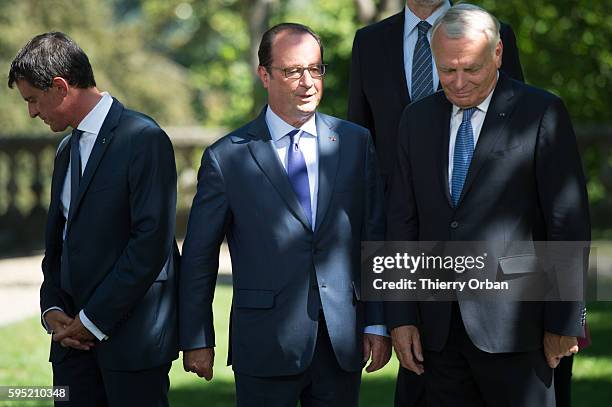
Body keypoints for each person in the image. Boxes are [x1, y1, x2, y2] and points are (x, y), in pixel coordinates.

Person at [385, 4, 589, 406]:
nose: (458, 82)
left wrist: (564, 320)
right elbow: (402, 222)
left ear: (496, 54)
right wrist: (401, 316)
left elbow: (567, 222)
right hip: (436, 333)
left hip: (519, 329)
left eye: (471, 69)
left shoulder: (541, 112)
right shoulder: (415, 120)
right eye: (447, 70)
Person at [178, 23, 390, 406]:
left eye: (316, 68)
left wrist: (376, 320)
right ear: (264, 75)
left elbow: (373, 237)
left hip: (341, 342)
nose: (308, 82)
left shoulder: (355, 143)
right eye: (293, 71)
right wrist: (197, 338)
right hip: (264, 344)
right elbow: (198, 257)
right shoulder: (227, 158)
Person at [348, 2, 524, 405]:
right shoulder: (369, 42)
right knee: (425, 380)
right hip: (410, 241)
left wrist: (566, 310)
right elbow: (364, 152)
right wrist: (393, 310)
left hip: (494, 252)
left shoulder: (494, 31)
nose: (458, 82)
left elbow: (518, 142)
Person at [8, 32, 180, 406]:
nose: (32, 113)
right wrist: (51, 308)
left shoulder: (144, 138)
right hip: (70, 349)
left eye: (33, 100)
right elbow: (59, 243)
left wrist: (92, 320)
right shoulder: (66, 150)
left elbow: (150, 244)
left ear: (60, 87)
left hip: (133, 345)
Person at [348, 0, 523, 194]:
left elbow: (514, 119)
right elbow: (359, 133)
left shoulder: (491, 35)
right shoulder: (368, 42)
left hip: (477, 197)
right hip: (391, 203)